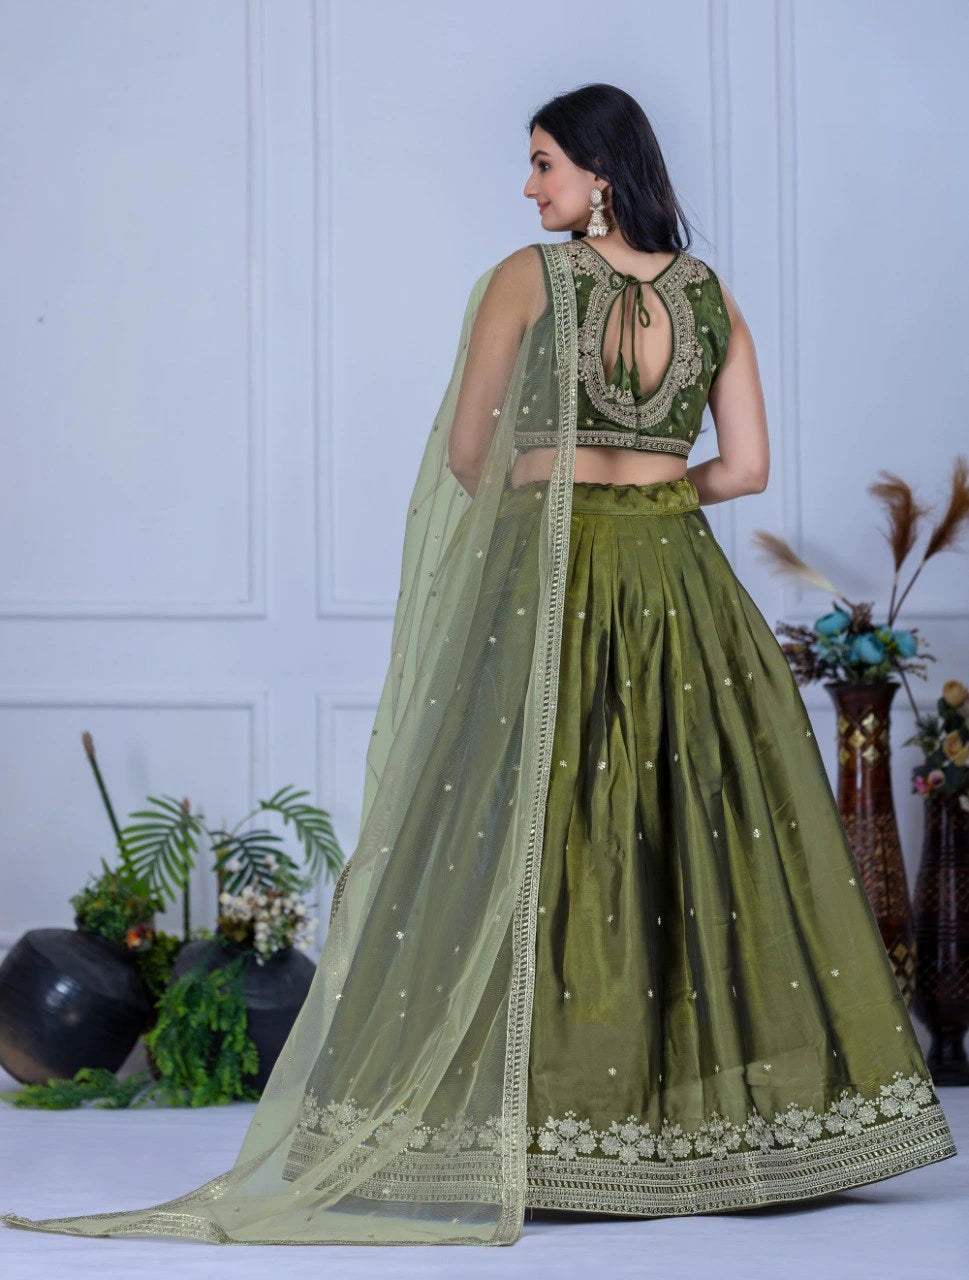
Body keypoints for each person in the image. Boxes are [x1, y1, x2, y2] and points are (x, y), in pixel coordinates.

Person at [2, 82, 957, 1247]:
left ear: (599, 172)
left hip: (557, 578)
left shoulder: (527, 277)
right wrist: (658, 490)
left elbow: (469, 452)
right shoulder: (709, 295)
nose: (529, 185)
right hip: (684, 585)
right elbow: (747, 467)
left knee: (538, 829)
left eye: (544, 162)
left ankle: (530, 1128)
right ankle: (705, 1138)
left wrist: (559, 488)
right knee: (686, 834)